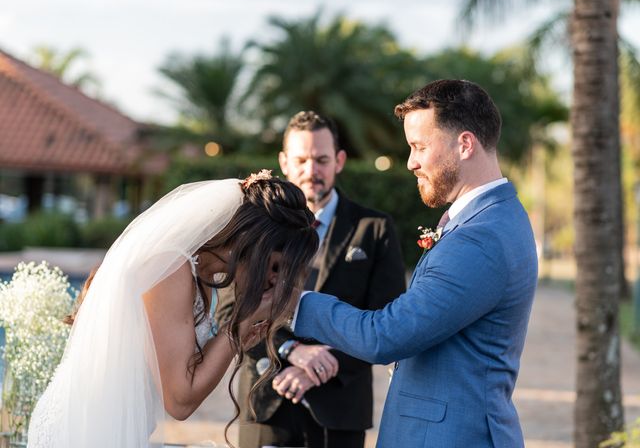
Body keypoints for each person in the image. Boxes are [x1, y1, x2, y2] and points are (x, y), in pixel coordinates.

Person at [292, 80, 539, 447]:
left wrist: (294, 302)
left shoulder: (481, 237)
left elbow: (385, 336)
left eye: (419, 147)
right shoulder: (492, 218)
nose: (411, 163)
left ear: (465, 144)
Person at [27, 171, 319, 448]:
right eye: (277, 267)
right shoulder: (170, 267)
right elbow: (179, 401)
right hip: (87, 429)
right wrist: (240, 327)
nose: (275, 282)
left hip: (119, 426)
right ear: (256, 246)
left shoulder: (199, 269)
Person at [218, 111, 406, 448]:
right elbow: (231, 311)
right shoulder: (257, 227)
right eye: (301, 160)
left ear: (340, 160)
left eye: (321, 160)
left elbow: (387, 320)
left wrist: (319, 364)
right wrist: (290, 351)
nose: (311, 171)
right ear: (283, 162)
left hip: (341, 407)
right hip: (265, 400)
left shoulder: (375, 229)